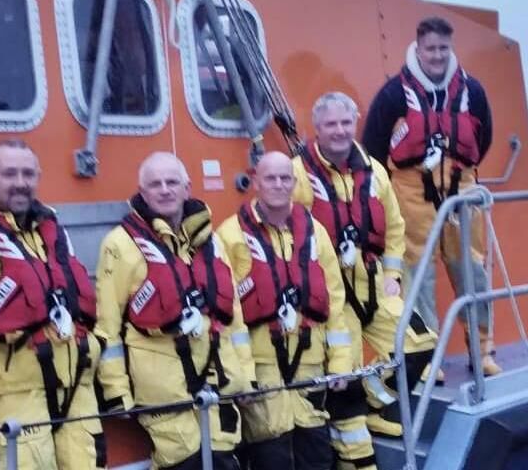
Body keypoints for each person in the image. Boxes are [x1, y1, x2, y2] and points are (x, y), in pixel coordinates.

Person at [0, 139, 108, 470]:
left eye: (28, 174)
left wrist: (96, 352)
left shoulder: (51, 228)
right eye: (9, 173)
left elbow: (83, 302)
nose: (21, 182)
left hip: (76, 391)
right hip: (15, 397)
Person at [293, 92, 437, 466]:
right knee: (345, 378)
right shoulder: (297, 175)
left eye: (345, 123)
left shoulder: (373, 170)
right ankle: (355, 458)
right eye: (330, 124)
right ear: (317, 129)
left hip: (373, 284)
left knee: (421, 344)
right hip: (332, 297)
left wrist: (392, 275)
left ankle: (376, 401)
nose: (339, 131)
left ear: (354, 123)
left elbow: (394, 229)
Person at [96, 152, 255, 470]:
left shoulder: (211, 241)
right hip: (163, 389)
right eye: (155, 184)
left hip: (218, 379)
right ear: (142, 193)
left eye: (172, 182)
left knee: (224, 458)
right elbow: (107, 324)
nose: (165, 189)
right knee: (183, 461)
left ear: (187, 188)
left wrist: (247, 377)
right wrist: (116, 389)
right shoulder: (120, 244)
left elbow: (234, 319)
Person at [362, 17, 499, 376]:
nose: (437, 55)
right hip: (411, 192)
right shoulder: (393, 94)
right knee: (417, 275)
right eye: (431, 48)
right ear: (418, 48)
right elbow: (374, 146)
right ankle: (427, 358)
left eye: (443, 48)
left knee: (472, 269)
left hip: (462, 191)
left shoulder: (474, 91)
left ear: (450, 48)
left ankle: (482, 350)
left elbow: (483, 140)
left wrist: (458, 174)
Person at [217, 151, 351, 470]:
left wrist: (342, 361)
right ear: (256, 183)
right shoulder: (230, 236)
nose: (278, 184)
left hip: (310, 366)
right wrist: (244, 376)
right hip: (262, 373)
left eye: (285, 177)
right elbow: (227, 317)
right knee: (271, 458)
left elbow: (334, 299)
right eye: (270, 178)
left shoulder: (315, 232)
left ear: (294, 182)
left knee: (317, 457)